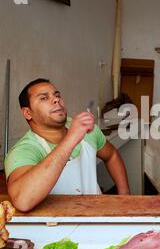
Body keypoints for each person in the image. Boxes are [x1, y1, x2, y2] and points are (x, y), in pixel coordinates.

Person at [4, 79, 131, 212]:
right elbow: (23, 201)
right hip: (56, 227)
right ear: (27, 113)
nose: (56, 100)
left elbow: (111, 155)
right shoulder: (23, 151)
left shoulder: (85, 129)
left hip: (96, 218)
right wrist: (71, 138)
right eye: (44, 98)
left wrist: (125, 195)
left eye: (57, 95)